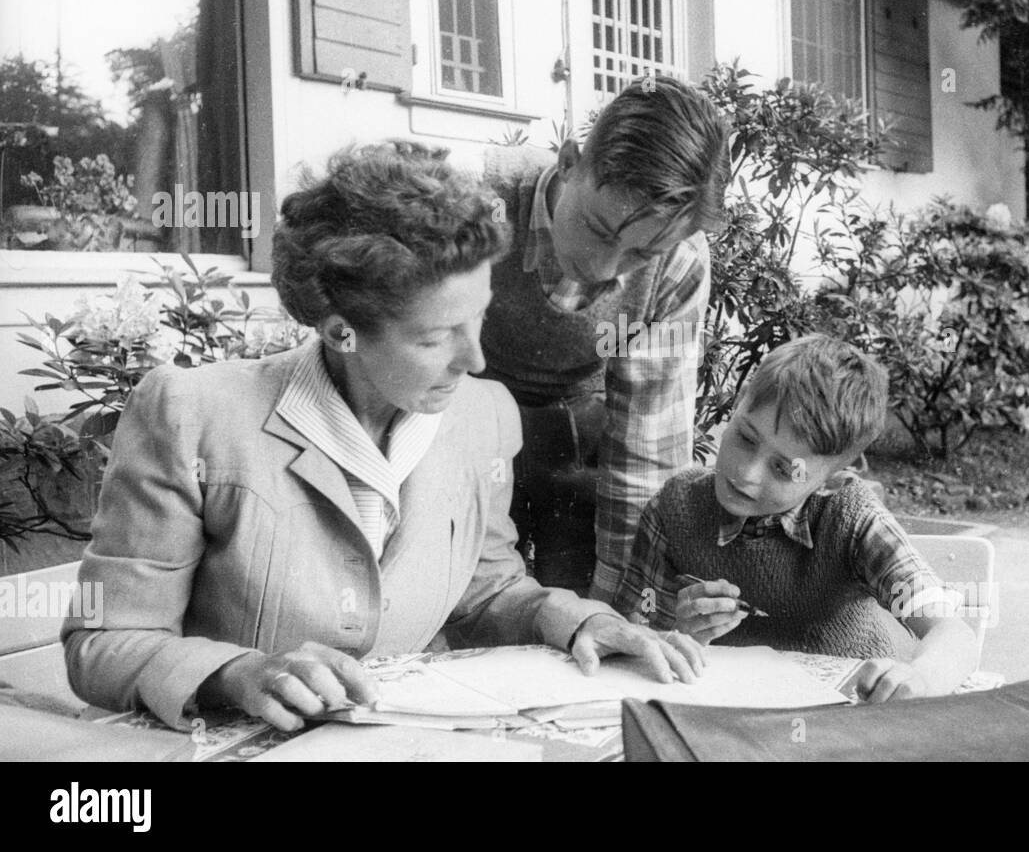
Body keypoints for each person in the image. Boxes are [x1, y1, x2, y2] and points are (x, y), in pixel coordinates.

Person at [61, 141, 703, 733]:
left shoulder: (484, 418)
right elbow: (103, 642)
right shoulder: (192, 415)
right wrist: (237, 674)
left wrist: (583, 621)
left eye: (478, 317)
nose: (476, 359)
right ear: (343, 330)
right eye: (434, 337)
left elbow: (489, 590)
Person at [610, 335, 979, 702]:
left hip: (855, 710)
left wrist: (920, 678)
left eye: (785, 469)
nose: (748, 472)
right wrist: (681, 633)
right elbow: (633, 633)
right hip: (730, 717)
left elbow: (953, 632)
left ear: (830, 480)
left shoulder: (850, 517)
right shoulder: (674, 507)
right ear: (737, 407)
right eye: (745, 438)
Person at [476, 75, 729, 599]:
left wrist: (613, 610)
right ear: (569, 164)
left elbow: (645, 458)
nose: (603, 267)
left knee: (581, 599)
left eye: (640, 253)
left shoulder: (678, 264)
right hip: (463, 415)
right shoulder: (478, 204)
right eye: (596, 229)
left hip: (576, 434)